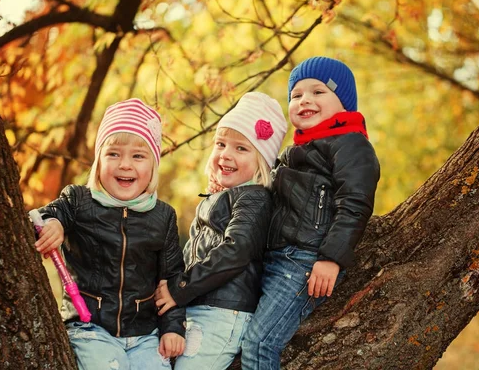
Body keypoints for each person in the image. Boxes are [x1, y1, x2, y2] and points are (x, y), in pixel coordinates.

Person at [241, 57, 381, 369]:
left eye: (318, 92)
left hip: (305, 261)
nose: (305, 100)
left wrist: (331, 258)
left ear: (343, 103)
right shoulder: (292, 153)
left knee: (259, 343)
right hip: (274, 259)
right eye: (296, 95)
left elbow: (355, 203)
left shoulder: (350, 143)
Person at [33, 99, 186, 370]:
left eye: (138, 156)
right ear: (98, 161)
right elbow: (45, 215)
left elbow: (171, 278)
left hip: (144, 334)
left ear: (153, 165)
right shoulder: (79, 201)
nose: (125, 164)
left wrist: (173, 328)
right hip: (89, 327)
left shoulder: (163, 216)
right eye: (113, 154)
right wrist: (53, 223)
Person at [154, 92, 288, 370]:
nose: (226, 154)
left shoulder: (254, 198)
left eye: (241, 148)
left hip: (223, 312)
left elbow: (236, 251)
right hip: (201, 308)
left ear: (262, 161)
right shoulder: (220, 198)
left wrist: (181, 287)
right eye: (221, 144)